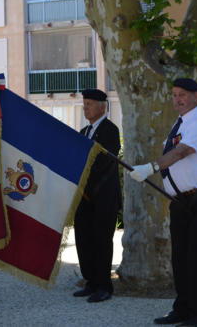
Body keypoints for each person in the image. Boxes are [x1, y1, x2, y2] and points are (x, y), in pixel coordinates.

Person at [129, 78, 197, 327]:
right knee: (179, 256)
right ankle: (182, 309)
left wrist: (150, 168)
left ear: (196, 96)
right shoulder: (180, 123)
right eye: (174, 95)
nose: (177, 99)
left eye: (182, 94)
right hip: (180, 200)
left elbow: (181, 153)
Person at [73, 88, 122, 303]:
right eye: (84, 104)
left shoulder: (110, 130)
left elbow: (103, 162)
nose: (86, 107)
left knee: (102, 241)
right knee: (84, 240)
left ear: (102, 107)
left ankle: (104, 286)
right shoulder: (83, 132)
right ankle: (91, 282)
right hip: (84, 198)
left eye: (90, 104)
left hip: (103, 198)